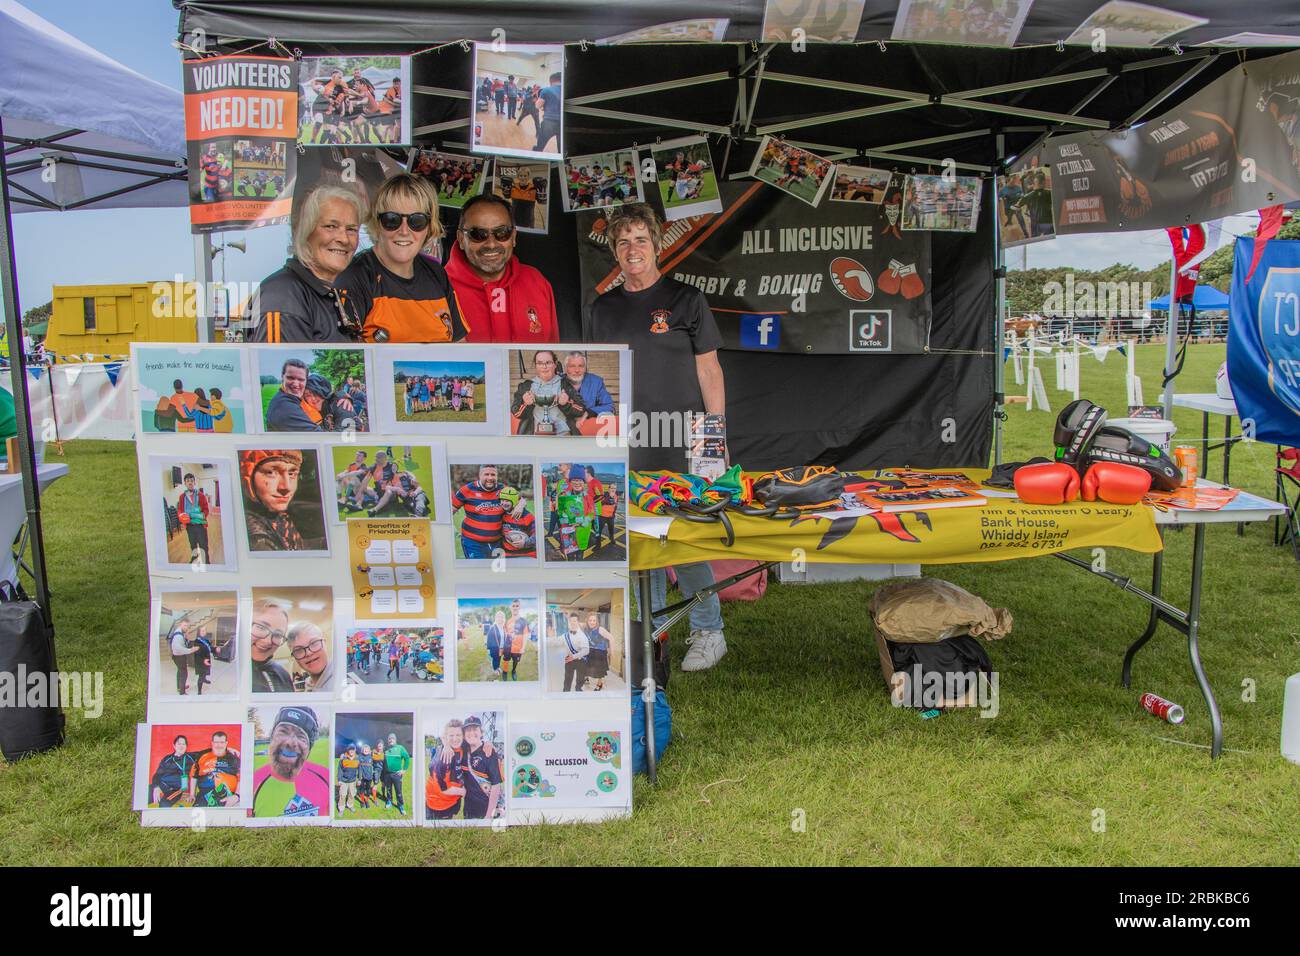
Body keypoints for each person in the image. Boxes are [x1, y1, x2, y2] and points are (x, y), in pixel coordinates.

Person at [585, 204, 728, 671]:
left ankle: (709, 631)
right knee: (639, 539)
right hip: (625, 439)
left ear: (657, 244)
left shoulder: (686, 300)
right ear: (614, 251)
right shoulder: (601, 308)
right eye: (623, 241)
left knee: (684, 538)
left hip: (681, 437)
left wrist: (714, 434)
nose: (632, 249)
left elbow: (709, 369)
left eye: (640, 239)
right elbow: (594, 375)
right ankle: (653, 631)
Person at [336, 173, 467, 343]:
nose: (404, 231)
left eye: (417, 221)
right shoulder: (354, 278)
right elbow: (348, 359)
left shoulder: (436, 273)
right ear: (377, 222)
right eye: (392, 220)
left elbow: (460, 347)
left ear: (429, 226)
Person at [251, 185, 365, 342]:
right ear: (305, 230)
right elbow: (279, 364)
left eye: (351, 229)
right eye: (331, 226)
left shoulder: (333, 294)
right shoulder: (283, 294)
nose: (344, 239)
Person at [444, 194, 558, 343]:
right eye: (478, 234)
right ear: (460, 239)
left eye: (502, 233)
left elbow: (553, 350)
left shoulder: (536, 282)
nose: (491, 244)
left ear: (514, 237)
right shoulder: (439, 288)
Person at [252, 706, 331, 818]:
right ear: (272, 738)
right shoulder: (254, 782)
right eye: (283, 732)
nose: (290, 742)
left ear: (309, 748)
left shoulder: (326, 777)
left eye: (301, 736)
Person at [239, 450, 325, 552]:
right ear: (248, 477)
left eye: (292, 473)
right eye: (270, 473)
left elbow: (297, 546)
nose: (286, 487)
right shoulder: (257, 539)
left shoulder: (273, 516)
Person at [510, 350, 577, 435]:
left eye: (548, 362)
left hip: (563, 436)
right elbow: (516, 412)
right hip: (535, 437)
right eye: (540, 363)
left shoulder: (566, 385)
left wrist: (566, 404)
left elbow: (580, 409)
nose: (544, 366)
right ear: (536, 366)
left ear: (555, 364)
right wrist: (526, 404)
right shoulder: (526, 386)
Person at [451, 464, 506, 559]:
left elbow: (520, 500)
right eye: (486, 474)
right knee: (477, 571)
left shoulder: (504, 489)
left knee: (497, 571)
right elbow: (450, 511)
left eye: (493, 475)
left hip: (498, 542)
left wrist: (520, 504)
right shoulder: (466, 490)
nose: (490, 478)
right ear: (479, 475)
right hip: (472, 542)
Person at [459, 716, 503, 820]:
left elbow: (496, 786)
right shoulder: (463, 750)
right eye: (468, 730)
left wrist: (489, 816)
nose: (471, 733)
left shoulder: (489, 752)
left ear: (481, 732)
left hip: (486, 810)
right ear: (464, 735)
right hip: (469, 809)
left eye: (475, 729)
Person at [249, 599, 295, 694]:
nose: (267, 641)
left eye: (278, 634)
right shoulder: (223, 668)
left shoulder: (283, 676)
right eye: (261, 627)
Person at [426, 719, 467, 821]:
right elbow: (442, 789)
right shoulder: (443, 759)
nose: (455, 739)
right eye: (451, 736)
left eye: (458, 735)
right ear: (446, 736)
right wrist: (463, 791)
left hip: (451, 801)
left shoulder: (460, 748)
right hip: (438, 806)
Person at [563, 352, 615, 431]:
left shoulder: (596, 382)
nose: (577, 370)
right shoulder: (558, 381)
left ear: (585, 368)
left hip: (587, 427)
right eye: (572, 366)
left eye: (581, 366)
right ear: (566, 368)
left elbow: (609, 406)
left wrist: (588, 413)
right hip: (562, 429)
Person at [189, 730, 240, 807]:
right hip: (204, 794)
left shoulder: (234, 757)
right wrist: (192, 794)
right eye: (216, 742)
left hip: (228, 795)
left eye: (222, 742)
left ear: (226, 743)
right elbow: (194, 776)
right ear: (212, 743)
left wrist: (237, 796)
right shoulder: (202, 755)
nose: (219, 745)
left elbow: (242, 779)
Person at [175, 473, 210, 565]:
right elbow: (180, 510)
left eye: (191, 481)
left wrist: (200, 516)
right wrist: (181, 517)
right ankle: (194, 559)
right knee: (193, 544)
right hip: (189, 526)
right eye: (188, 481)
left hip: (200, 526)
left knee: (204, 545)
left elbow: (206, 509)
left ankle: (207, 562)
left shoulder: (201, 495)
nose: (190, 483)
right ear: (185, 483)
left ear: (194, 483)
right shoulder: (182, 497)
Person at [151, 735, 197, 807]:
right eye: (179, 744)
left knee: (164, 804)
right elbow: (157, 775)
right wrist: (156, 787)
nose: (181, 746)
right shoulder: (167, 759)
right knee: (144, 794)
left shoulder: (191, 757)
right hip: (161, 784)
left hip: (174, 790)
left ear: (186, 746)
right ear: (174, 745)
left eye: (183, 744)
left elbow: (205, 752)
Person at [290, 622, 333, 692]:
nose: (308, 653)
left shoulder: (343, 681)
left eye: (313, 643)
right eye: (299, 650)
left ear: (325, 643)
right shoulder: (308, 685)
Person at [560, 612, 590, 693]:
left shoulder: (582, 636)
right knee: (567, 680)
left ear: (578, 622)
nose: (572, 623)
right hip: (568, 659)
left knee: (580, 680)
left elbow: (586, 650)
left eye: (574, 621)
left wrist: (573, 656)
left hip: (580, 660)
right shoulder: (567, 632)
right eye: (571, 621)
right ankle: (565, 695)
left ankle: (578, 693)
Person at [169, 620, 200, 696]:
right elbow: (179, 649)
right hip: (179, 656)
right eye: (185, 625)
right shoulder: (178, 636)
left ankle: (179, 687)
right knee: (184, 673)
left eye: (188, 626)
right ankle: (182, 692)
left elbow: (181, 644)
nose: (187, 628)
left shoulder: (179, 632)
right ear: (180, 625)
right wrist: (191, 650)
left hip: (176, 656)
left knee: (180, 671)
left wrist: (186, 638)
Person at [584, 611, 613, 691]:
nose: (592, 622)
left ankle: (599, 684)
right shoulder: (586, 628)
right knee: (586, 666)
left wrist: (612, 652)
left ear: (597, 621)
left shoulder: (600, 629)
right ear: (587, 621)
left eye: (594, 620)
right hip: (590, 650)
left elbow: (611, 638)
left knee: (599, 670)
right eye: (590, 620)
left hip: (600, 652)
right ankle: (586, 678)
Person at [383, 732, 410, 814]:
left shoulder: (400, 748)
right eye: (389, 739)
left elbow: (407, 758)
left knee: (398, 791)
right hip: (387, 774)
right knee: (388, 789)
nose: (391, 740)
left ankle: (400, 805)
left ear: (395, 740)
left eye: (392, 739)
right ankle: (389, 801)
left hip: (397, 774)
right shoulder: (386, 750)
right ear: (388, 740)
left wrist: (404, 770)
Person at [534, 72, 562, 153]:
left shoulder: (546, 90)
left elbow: (537, 106)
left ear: (551, 81)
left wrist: (537, 95)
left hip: (549, 122)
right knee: (561, 149)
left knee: (539, 147)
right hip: (563, 123)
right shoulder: (566, 90)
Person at [336, 743, 361, 814]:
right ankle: (341, 808)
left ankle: (350, 805)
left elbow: (360, 769)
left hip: (352, 781)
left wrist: (359, 779)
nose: (351, 751)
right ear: (348, 750)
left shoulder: (357, 758)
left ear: (355, 750)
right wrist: (339, 779)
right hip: (344, 781)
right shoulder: (343, 758)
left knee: (351, 794)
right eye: (350, 749)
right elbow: (340, 769)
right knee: (342, 795)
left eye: (353, 749)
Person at [484, 610, 506, 680]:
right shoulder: (492, 628)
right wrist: (488, 649)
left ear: (503, 618)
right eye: (499, 617)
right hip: (494, 648)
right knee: (495, 659)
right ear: (496, 618)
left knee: (499, 658)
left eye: (502, 617)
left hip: (501, 647)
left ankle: (498, 667)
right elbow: (489, 639)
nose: (500, 619)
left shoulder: (503, 628)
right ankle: (495, 669)